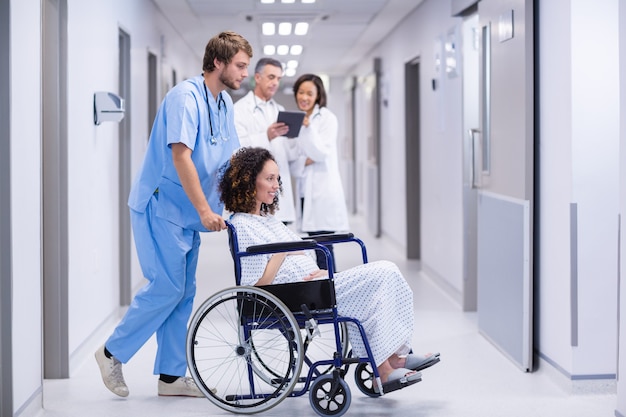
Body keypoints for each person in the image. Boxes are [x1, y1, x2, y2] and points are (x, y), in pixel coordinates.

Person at [94, 31, 252, 398]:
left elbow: (230, 158)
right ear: (218, 62)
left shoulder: (223, 102)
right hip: (161, 204)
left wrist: (244, 200)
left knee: (183, 293)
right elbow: (181, 154)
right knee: (166, 286)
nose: (245, 73)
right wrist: (203, 208)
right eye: (241, 65)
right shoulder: (185, 97)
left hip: (188, 213)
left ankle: (170, 376)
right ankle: (110, 352)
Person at [218, 147, 440, 390]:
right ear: (249, 182)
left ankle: (393, 359)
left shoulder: (268, 221)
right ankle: (385, 369)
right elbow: (257, 286)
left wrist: (316, 269)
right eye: (269, 179)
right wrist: (282, 252)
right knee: (385, 271)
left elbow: (302, 249)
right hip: (295, 295)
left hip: (315, 283)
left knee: (385, 280)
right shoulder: (243, 225)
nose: (276, 185)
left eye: (277, 179)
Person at [288, 74, 349, 270]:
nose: (304, 97)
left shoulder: (327, 118)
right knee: (313, 246)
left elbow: (321, 153)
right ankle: (321, 292)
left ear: (318, 96)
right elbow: (293, 159)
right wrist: (304, 160)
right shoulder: (297, 120)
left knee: (324, 249)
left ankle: (331, 294)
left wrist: (309, 129)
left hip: (323, 193)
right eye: (301, 92)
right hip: (306, 192)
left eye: (309, 93)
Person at [234, 57, 296, 224]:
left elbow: (287, 153)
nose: (275, 82)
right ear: (257, 78)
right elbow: (237, 150)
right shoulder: (240, 110)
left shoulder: (280, 110)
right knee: (258, 246)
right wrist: (266, 136)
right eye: (271, 77)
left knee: (283, 245)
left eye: (278, 78)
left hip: (279, 194)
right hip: (255, 194)